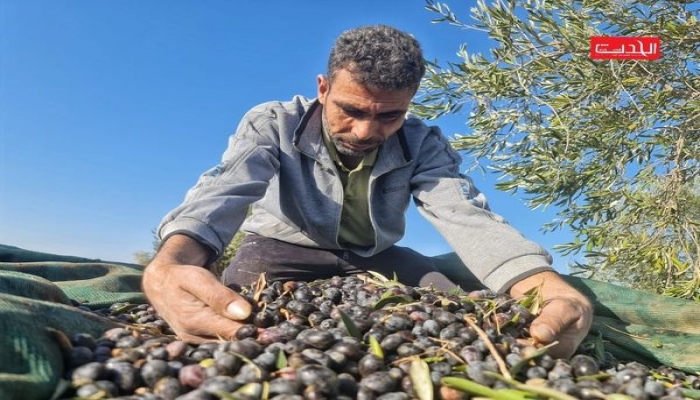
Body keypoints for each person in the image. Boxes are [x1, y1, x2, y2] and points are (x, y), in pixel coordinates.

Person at [143, 25, 592, 358]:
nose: (365, 130)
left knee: (458, 311)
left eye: (388, 116)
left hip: (374, 256)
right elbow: (226, 188)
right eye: (351, 110)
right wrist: (171, 263)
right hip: (281, 249)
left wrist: (544, 285)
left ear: (409, 105)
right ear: (323, 89)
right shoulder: (273, 123)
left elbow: (464, 213)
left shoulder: (423, 143)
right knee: (238, 312)